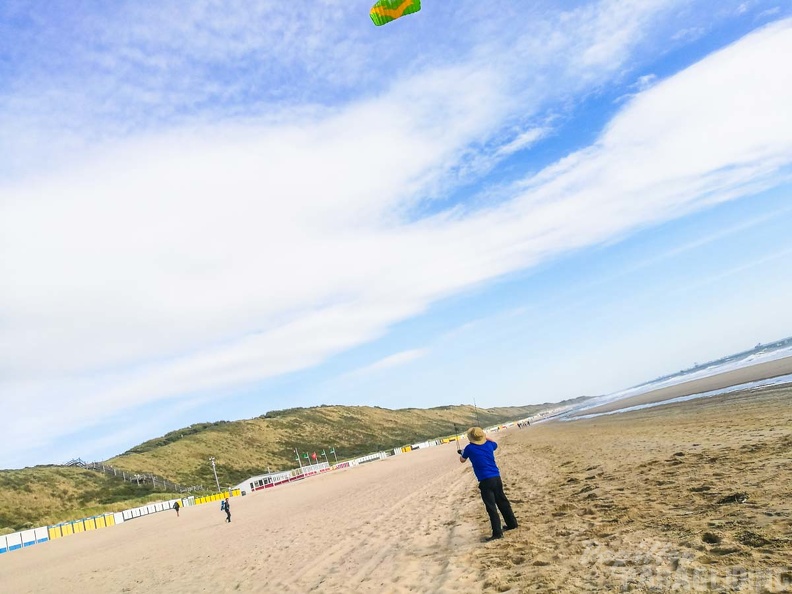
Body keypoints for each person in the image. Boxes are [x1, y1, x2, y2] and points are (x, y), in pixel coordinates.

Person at [459, 427, 518, 542]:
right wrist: (485, 437)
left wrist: (462, 452)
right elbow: (494, 443)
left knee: (491, 507)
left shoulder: (469, 448)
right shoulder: (489, 445)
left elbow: (462, 459)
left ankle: (497, 533)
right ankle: (512, 523)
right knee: (502, 501)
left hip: (485, 481)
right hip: (496, 477)